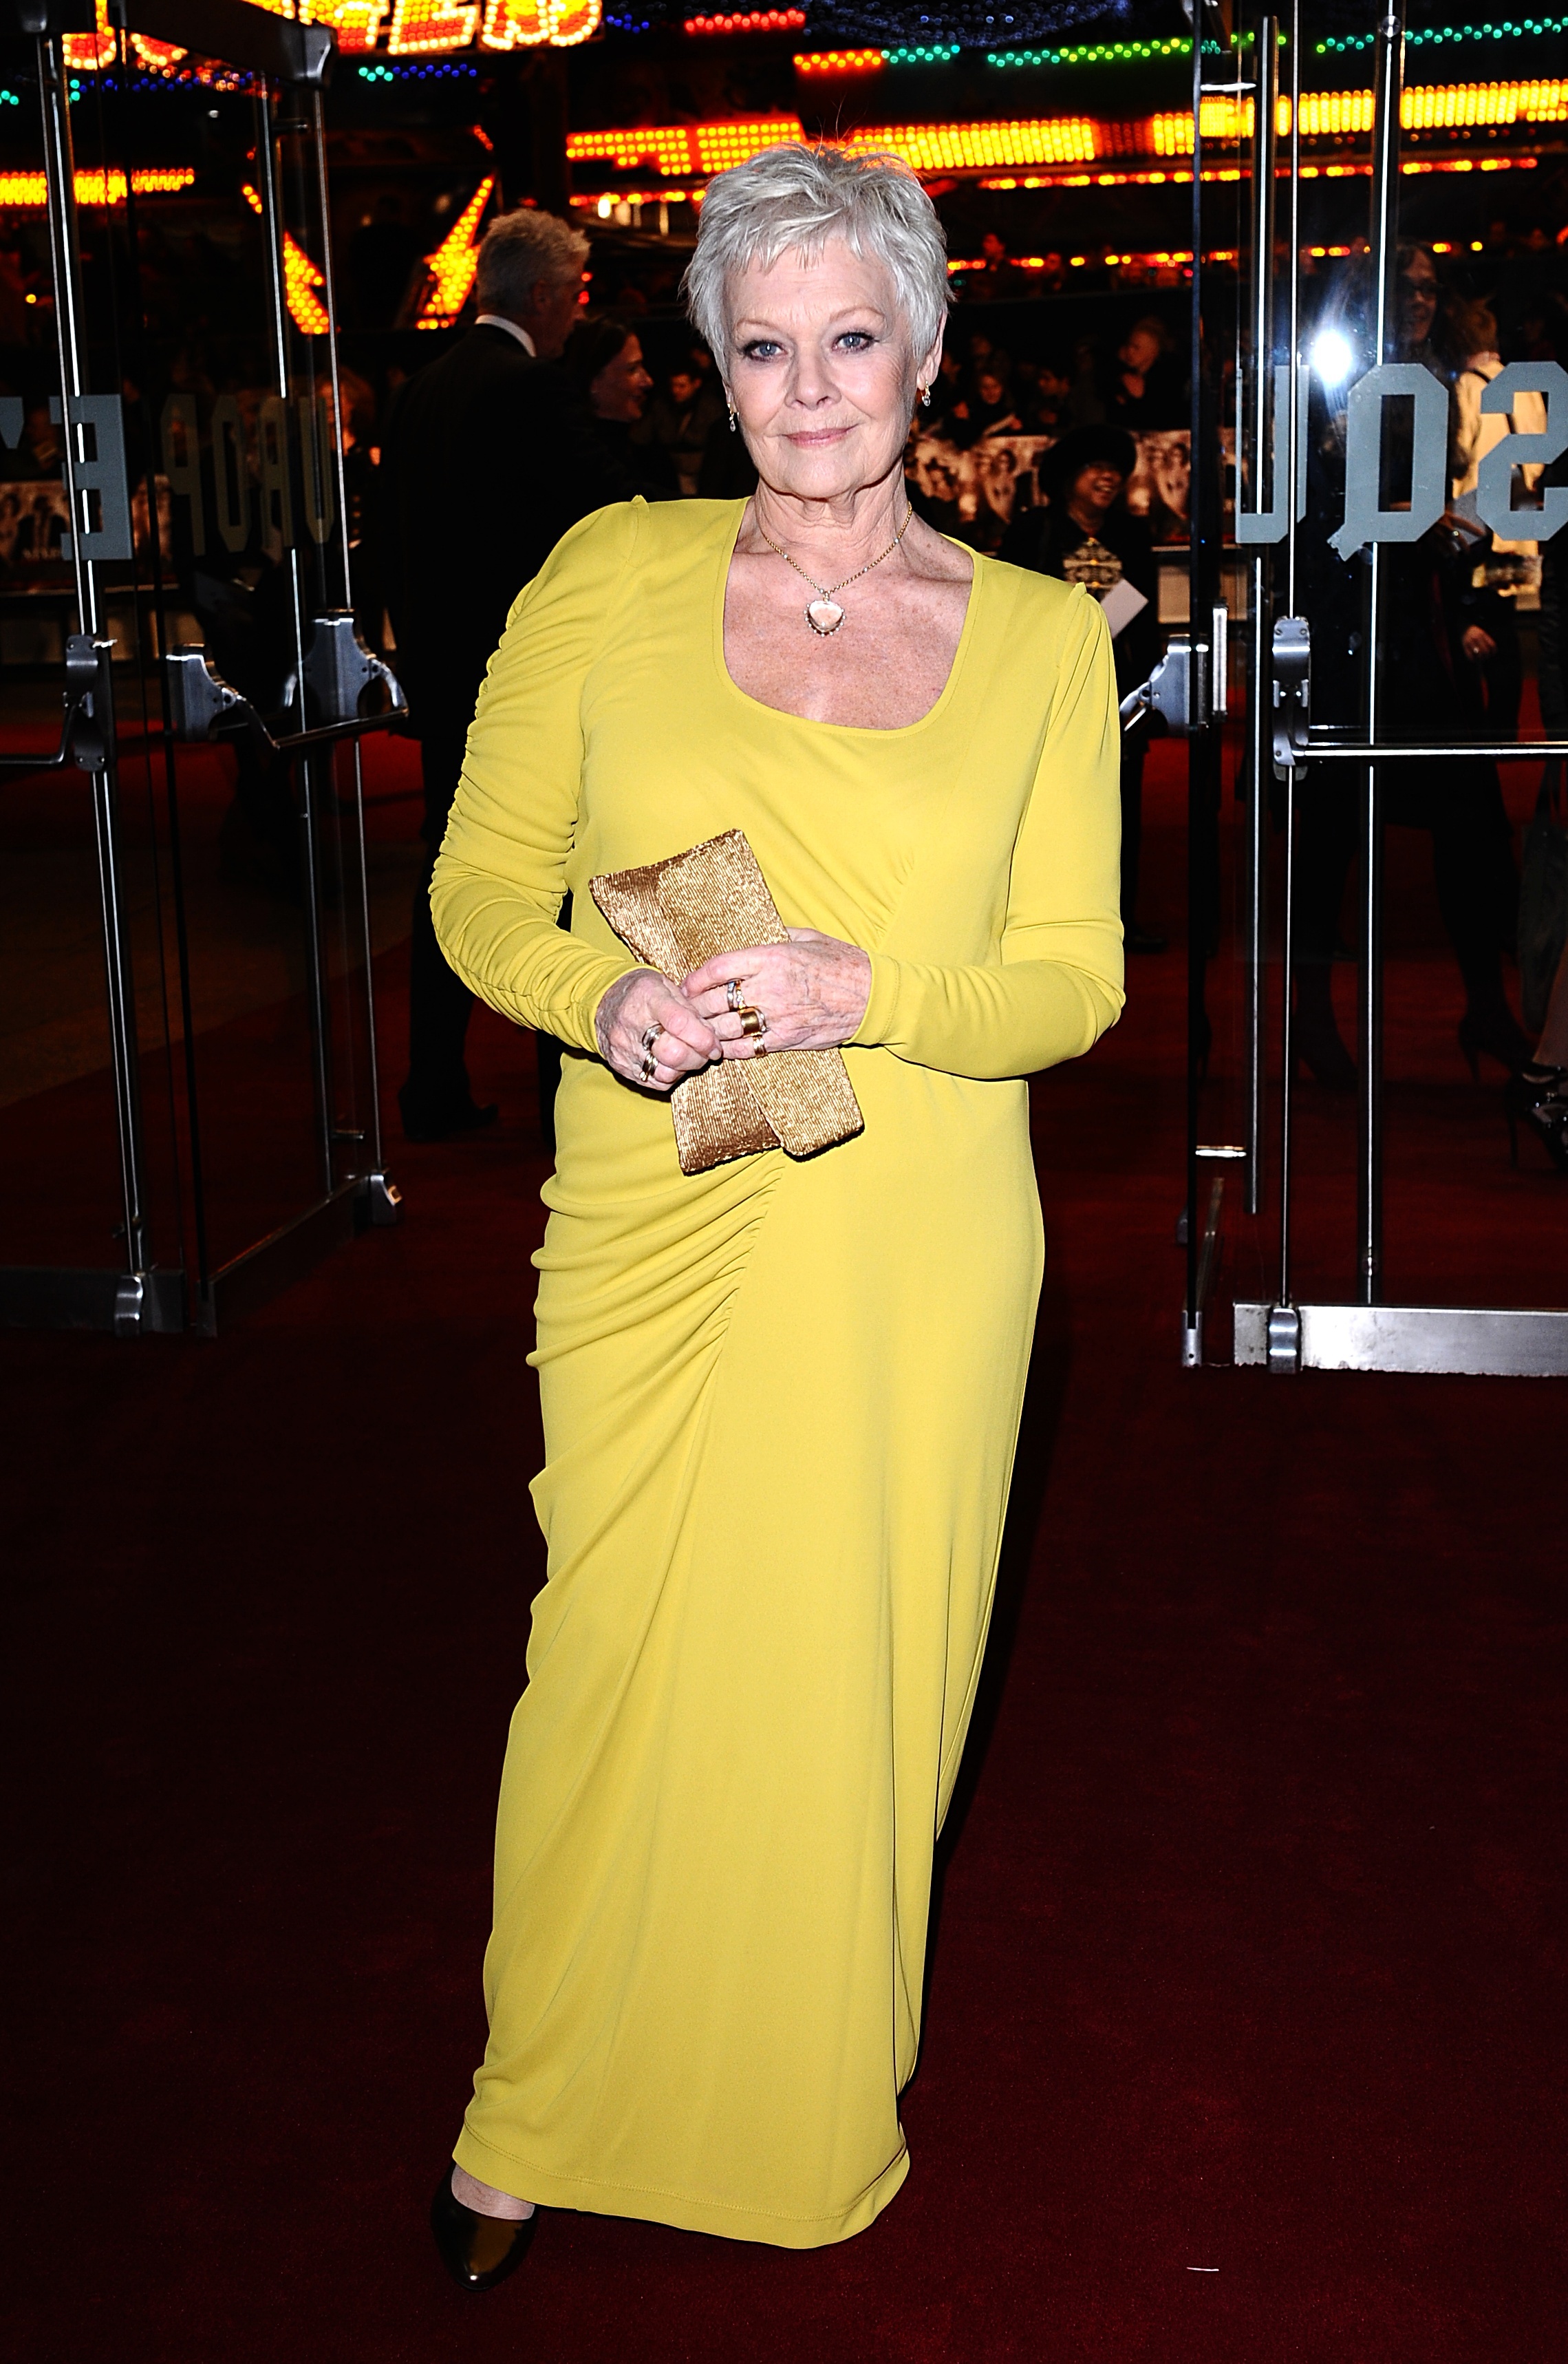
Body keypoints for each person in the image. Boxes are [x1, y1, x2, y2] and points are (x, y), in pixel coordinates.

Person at [425, 140, 1123, 2289]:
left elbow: (1069, 984)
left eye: (850, 338)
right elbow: (475, 889)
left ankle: (801, 2108)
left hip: (913, 1237)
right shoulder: (602, 576)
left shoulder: (1032, 642)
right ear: (710, 374)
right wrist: (599, 996)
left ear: (922, 350)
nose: (811, 388)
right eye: (761, 347)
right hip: (654, 1211)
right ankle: (530, 2099)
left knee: (855, 1691)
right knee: (605, 1662)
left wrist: (864, 992)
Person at [380, 207, 638, 1141]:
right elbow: (611, 514)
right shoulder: (533, 388)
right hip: (527, 681)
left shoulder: (419, 390)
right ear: (541, 295)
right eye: (574, 293)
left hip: (442, 676)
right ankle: (566, 1100)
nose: (578, 311)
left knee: (451, 871)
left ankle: (431, 1082)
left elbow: (388, 543)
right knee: (558, 879)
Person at [1000, 425, 1164, 951]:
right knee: (1046, 811)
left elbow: (1145, 614)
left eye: (1115, 470)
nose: (1108, 478)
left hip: (1119, 695)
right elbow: (1012, 612)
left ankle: (1118, 921)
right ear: (1067, 478)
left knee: (1120, 812)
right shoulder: (1033, 532)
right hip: (1047, 694)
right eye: (1095, 468)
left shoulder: (1133, 535)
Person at [560, 315, 678, 499]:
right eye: (632, 370)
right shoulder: (581, 462)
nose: (648, 381)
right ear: (594, 382)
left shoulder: (648, 453)